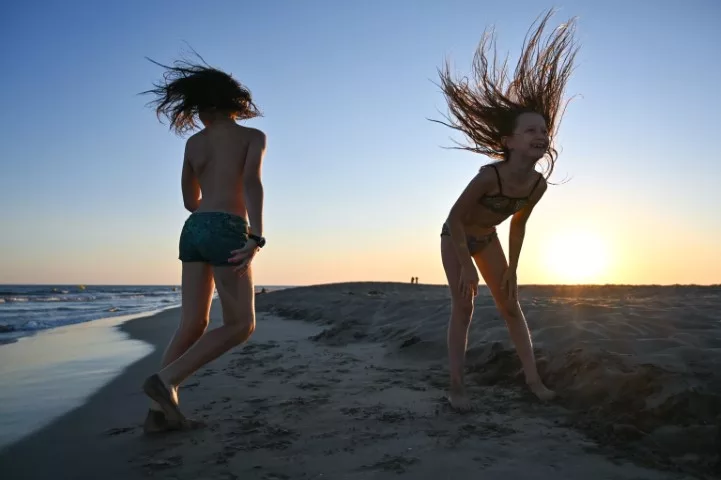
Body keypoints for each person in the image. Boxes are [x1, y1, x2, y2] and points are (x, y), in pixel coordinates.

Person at [434, 10, 579, 411]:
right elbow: (454, 219)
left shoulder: (537, 184)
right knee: (464, 305)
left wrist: (513, 268)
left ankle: (534, 381)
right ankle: (457, 387)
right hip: (458, 238)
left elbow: (518, 225)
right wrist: (465, 264)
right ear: (509, 141)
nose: (541, 135)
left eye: (544, 130)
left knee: (510, 306)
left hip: (491, 239)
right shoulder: (488, 177)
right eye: (531, 130)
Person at [139, 52, 267, 432]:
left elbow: (188, 201)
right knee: (241, 324)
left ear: (205, 107)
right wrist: (256, 235)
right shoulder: (251, 136)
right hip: (227, 227)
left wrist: (209, 205)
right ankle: (166, 382)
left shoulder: (193, 144)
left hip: (193, 228)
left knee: (192, 322)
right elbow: (251, 183)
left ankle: (158, 413)